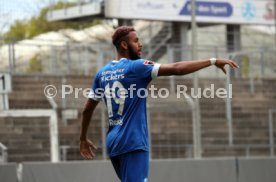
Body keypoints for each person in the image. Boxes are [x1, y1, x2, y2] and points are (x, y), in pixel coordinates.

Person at [79, 26, 239, 182]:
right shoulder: (136, 66)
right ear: (124, 45)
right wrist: (212, 61)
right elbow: (177, 69)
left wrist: (83, 139)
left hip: (113, 142)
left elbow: (87, 110)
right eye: (136, 41)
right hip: (132, 141)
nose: (140, 44)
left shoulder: (102, 73)